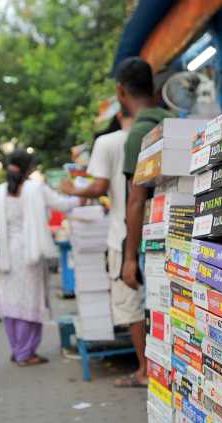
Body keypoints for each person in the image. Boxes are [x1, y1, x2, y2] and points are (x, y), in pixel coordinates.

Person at [60, 111, 147, 387]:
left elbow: (100, 186)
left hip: (124, 236)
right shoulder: (161, 127)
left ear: (121, 94)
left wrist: (71, 189)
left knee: (131, 305)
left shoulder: (108, 143)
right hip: (159, 229)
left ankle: (145, 369)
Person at [0, 149, 81, 366]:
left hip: (6, 254)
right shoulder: (35, 188)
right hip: (30, 252)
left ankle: (17, 348)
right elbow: (63, 205)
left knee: (11, 303)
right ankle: (26, 353)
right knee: (30, 301)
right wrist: (80, 196)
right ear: (29, 167)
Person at [113, 57, 173, 388]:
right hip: (182, 231)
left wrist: (129, 258)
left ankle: (155, 375)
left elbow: (135, 200)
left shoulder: (137, 134)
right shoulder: (175, 120)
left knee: (158, 312)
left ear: (121, 92)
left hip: (155, 238)